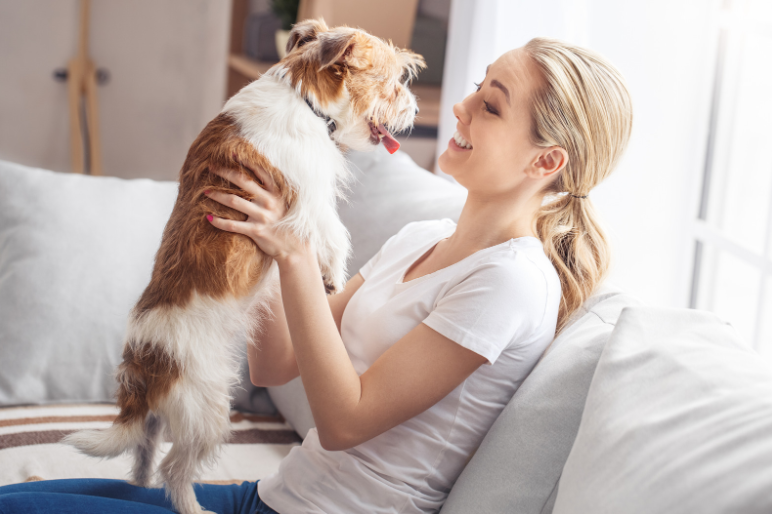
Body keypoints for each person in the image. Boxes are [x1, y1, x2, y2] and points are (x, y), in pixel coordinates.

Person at [0, 37, 632, 514]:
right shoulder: (424, 240)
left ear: (546, 160)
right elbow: (273, 365)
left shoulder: (511, 282)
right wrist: (267, 231)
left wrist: (298, 250)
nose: (461, 106)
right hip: (272, 497)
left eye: (491, 106)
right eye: (478, 86)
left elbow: (345, 421)